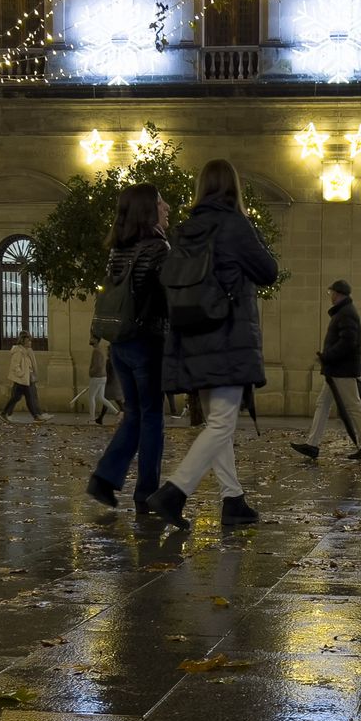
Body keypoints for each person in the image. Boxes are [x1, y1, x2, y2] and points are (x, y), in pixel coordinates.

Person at [146, 158, 279, 528]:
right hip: (227, 338)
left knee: (218, 421)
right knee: (221, 423)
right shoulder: (235, 225)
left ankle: (232, 499)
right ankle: (174, 491)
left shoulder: (187, 229)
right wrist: (253, 231)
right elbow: (268, 271)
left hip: (193, 337)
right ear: (233, 188)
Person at [87, 182, 171, 512]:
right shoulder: (158, 248)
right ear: (149, 209)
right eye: (162, 203)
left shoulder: (118, 248)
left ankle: (104, 479)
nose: (167, 209)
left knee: (134, 415)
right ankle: (146, 494)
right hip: (148, 341)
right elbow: (167, 296)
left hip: (119, 342)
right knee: (152, 418)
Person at [292, 280, 361, 462]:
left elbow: (348, 342)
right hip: (337, 369)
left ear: (337, 294)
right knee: (323, 404)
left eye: (331, 292)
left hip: (342, 370)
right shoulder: (344, 312)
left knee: (353, 406)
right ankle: (312, 444)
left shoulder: (346, 314)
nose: (330, 295)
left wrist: (328, 356)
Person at [0, 331, 48, 422]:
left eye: (30, 340)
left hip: (26, 378)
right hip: (22, 379)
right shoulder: (18, 351)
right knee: (26, 397)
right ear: (23, 342)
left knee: (18, 397)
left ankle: (4, 413)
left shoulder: (26, 351)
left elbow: (28, 364)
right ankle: (36, 416)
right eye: (28, 341)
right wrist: (21, 374)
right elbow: (15, 365)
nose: (30, 342)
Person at [80, 340, 120, 424]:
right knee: (101, 397)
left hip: (96, 377)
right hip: (102, 377)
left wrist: (91, 373)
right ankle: (117, 412)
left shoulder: (96, 351)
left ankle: (92, 419)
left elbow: (97, 365)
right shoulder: (101, 351)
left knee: (91, 397)